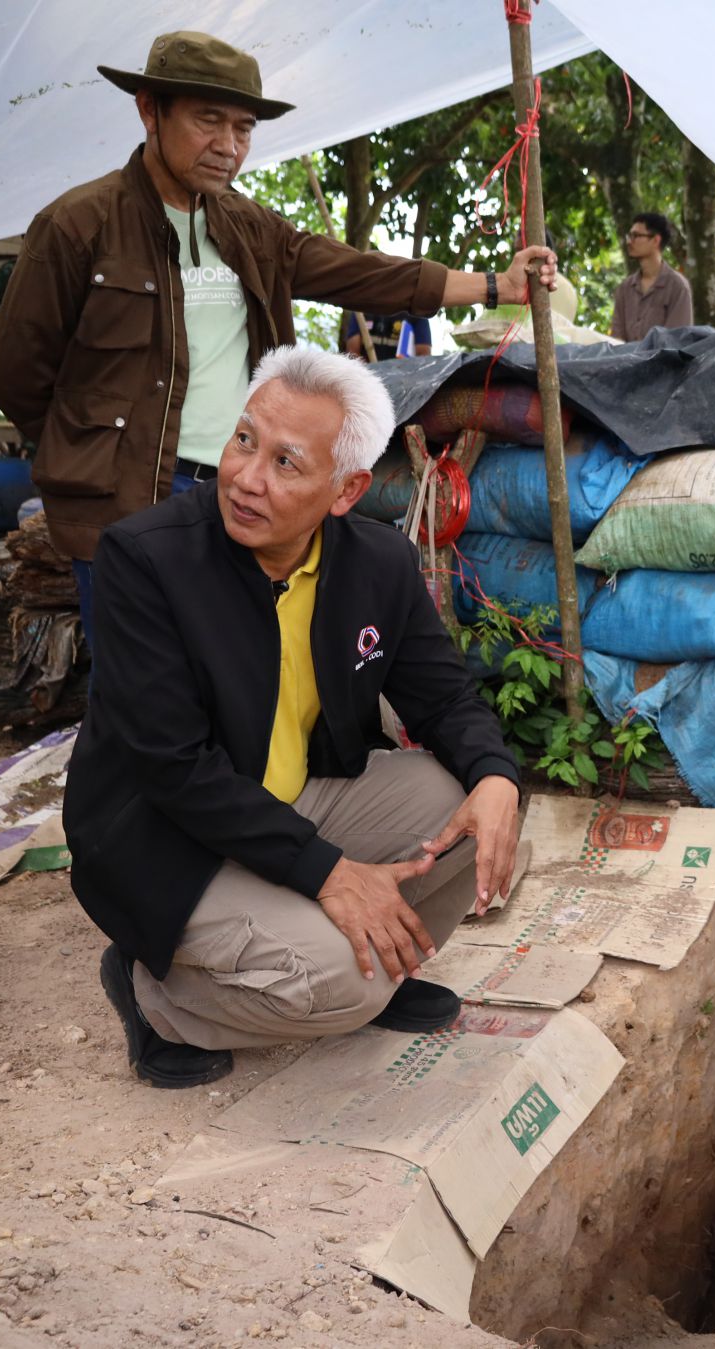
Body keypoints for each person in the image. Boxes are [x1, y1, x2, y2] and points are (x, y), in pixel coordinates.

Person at [0, 30, 555, 657]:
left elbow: (358, 273)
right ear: (150, 110)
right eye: (208, 120)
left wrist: (495, 285)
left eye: (244, 128)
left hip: (243, 489)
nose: (228, 146)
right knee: (138, 681)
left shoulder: (248, 227)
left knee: (244, 670)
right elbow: (15, 373)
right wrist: (90, 451)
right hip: (129, 502)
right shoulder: (78, 225)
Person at [64, 345, 522, 1087]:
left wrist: (497, 777)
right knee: (342, 982)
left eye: (285, 463)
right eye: (245, 440)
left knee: (469, 812)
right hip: (169, 836)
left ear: (346, 491)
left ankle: (375, 962)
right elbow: (173, 768)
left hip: (290, 801)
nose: (247, 478)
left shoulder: (378, 565)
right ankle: (156, 996)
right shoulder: (146, 561)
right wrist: (330, 873)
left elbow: (444, 698)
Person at [609, 211, 692, 341]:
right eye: (629, 236)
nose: (629, 242)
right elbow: (616, 339)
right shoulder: (625, 288)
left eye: (636, 236)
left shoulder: (677, 286)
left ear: (655, 240)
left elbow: (676, 341)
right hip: (625, 355)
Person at [341, 311, 430, 361]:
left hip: (402, 379)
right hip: (368, 378)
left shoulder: (416, 313)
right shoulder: (360, 310)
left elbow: (423, 355)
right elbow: (352, 352)